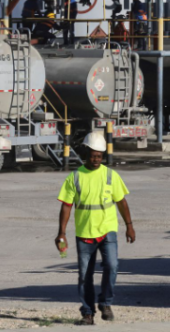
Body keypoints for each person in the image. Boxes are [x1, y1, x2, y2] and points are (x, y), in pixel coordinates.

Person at [56, 132, 135, 325]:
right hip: (84, 233)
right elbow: (66, 206)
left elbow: (121, 202)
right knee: (85, 276)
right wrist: (61, 233)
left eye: (99, 156)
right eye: (93, 155)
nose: (96, 159)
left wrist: (129, 226)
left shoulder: (111, 175)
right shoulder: (74, 177)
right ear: (85, 153)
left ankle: (105, 303)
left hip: (107, 230)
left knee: (112, 266)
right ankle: (87, 313)